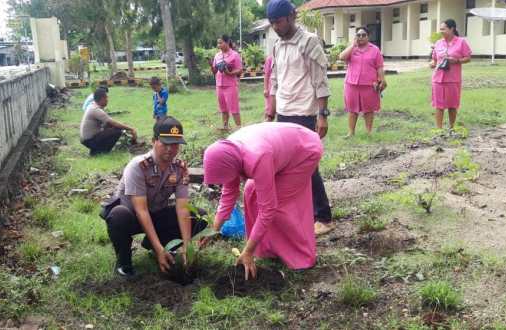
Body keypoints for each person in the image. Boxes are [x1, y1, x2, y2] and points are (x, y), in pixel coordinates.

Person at [203, 122, 323, 280]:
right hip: (284, 149)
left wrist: (247, 251)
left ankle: (301, 256)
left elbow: (268, 209)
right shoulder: (228, 155)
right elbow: (228, 195)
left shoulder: (257, 156)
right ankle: (268, 250)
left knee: (277, 204)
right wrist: (213, 230)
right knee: (250, 192)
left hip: (304, 151)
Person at [103, 117, 207, 278]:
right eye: (165, 143)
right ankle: (124, 261)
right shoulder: (138, 166)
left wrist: (188, 246)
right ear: (153, 141)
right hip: (133, 217)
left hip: (157, 214)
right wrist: (160, 252)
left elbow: (182, 208)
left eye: (175, 144)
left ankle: (154, 244)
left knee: (199, 217)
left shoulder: (180, 168)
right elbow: (141, 210)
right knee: (118, 216)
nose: (170, 149)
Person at [266, 0, 335, 236]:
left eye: (279, 21)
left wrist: (323, 115)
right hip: (284, 113)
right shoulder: (277, 45)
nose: (276, 26)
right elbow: (275, 78)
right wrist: (271, 108)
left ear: (293, 16)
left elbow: (321, 82)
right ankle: (298, 212)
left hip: (305, 114)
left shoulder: (309, 42)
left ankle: (324, 217)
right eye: (272, 23)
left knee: (308, 166)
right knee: (284, 167)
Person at [339, 27, 387, 137]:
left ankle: (368, 132)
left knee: (369, 109)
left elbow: (379, 67)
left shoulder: (375, 50)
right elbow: (341, 57)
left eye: (363, 35)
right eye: (358, 35)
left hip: (369, 84)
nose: (361, 37)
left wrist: (382, 80)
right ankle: (351, 132)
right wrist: (352, 45)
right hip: (352, 83)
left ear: (368, 36)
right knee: (352, 109)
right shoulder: (352, 49)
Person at [430, 19, 471, 129]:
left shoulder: (461, 42)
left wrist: (457, 61)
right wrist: (432, 63)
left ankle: (452, 127)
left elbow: (468, 58)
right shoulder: (438, 43)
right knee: (439, 105)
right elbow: (434, 59)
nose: (441, 31)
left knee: (452, 105)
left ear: (452, 29)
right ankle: (439, 129)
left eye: (443, 29)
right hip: (438, 79)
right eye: (440, 29)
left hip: (453, 79)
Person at [80, 87, 137, 156]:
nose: (108, 100)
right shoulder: (95, 109)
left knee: (112, 128)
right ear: (102, 99)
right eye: (106, 98)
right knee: (117, 131)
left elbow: (108, 123)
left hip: (87, 139)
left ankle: (96, 150)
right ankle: (101, 151)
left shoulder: (92, 105)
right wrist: (131, 129)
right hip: (89, 140)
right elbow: (114, 123)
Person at [209, 35, 243, 130]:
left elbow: (240, 70)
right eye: (218, 43)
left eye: (220, 42)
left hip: (230, 85)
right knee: (223, 109)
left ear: (227, 42)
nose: (218, 45)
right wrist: (211, 66)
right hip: (219, 85)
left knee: (234, 109)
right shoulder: (217, 55)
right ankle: (225, 127)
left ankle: (239, 128)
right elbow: (215, 71)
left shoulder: (234, 55)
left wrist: (230, 73)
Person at [263, 55, 275, 120]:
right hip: (271, 88)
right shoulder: (270, 58)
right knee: (269, 112)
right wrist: (265, 89)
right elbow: (266, 74)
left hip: (282, 88)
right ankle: (265, 128)